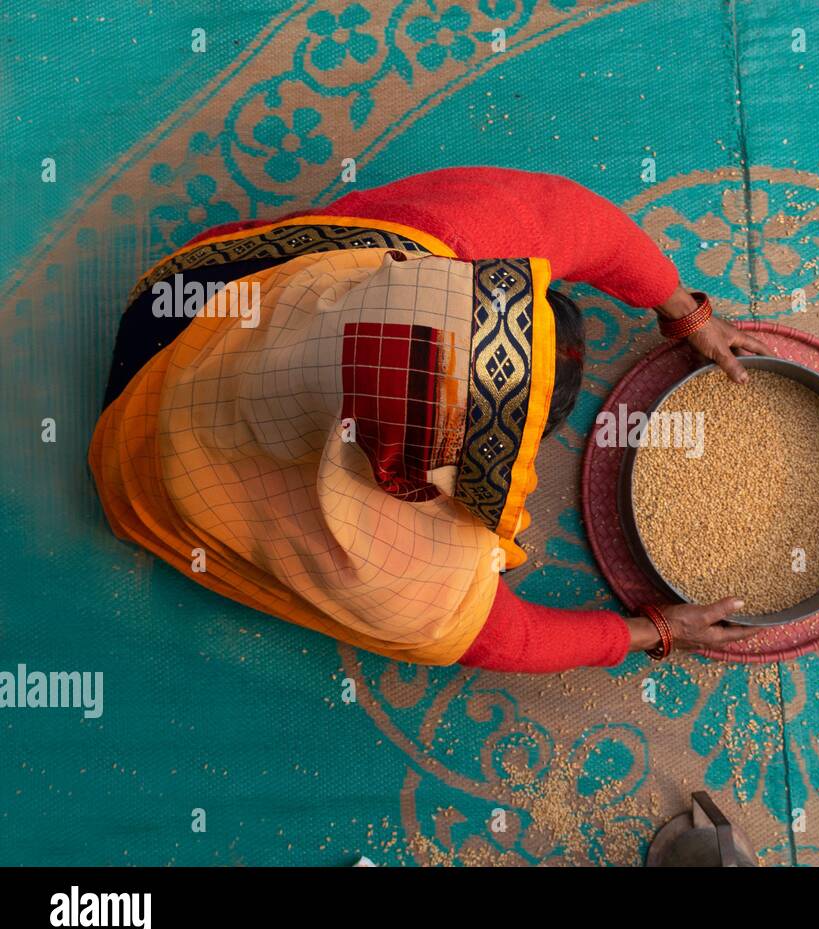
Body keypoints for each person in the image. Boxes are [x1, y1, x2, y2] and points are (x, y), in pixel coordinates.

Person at [90, 166, 773, 672]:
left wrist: (685, 309)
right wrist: (659, 633)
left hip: (177, 313)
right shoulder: (407, 587)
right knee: (464, 573)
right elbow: (511, 640)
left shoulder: (429, 253)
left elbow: (576, 220)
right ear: (424, 477)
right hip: (146, 476)